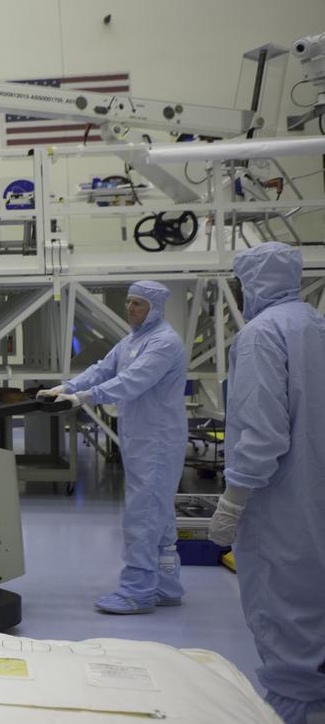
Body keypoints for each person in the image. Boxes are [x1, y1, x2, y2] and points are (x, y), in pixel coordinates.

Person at [207, 242, 325, 724]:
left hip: (279, 503)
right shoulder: (315, 325)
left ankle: (293, 712)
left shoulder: (260, 334)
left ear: (254, 282)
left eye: (239, 282)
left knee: (284, 611)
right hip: (314, 491)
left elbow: (262, 433)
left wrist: (233, 501)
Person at [39, 281, 187, 615]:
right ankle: (166, 586)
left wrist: (83, 398)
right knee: (159, 517)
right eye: (129, 302)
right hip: (141, 438)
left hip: (159, 441)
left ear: (155, 308)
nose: (130, 309)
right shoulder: (132, 340)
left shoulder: (164, 342)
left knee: (143, 515)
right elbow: (103, 369)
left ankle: (137, 591)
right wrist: (66, 386)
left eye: (138, 304)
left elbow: (132, 381)